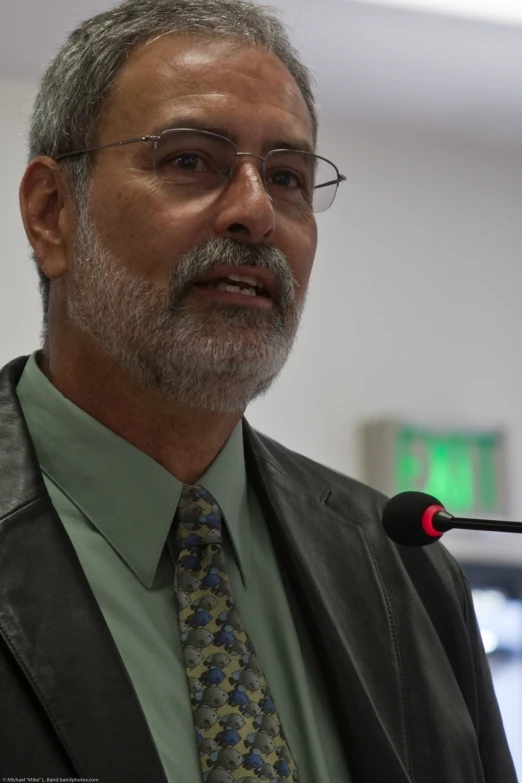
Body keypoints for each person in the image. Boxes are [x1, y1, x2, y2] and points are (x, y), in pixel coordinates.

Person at [0, 0, 517, 780]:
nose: (254, 212)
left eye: (287, 176)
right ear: (51, 215)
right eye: (189, 160)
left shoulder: (403, 570)